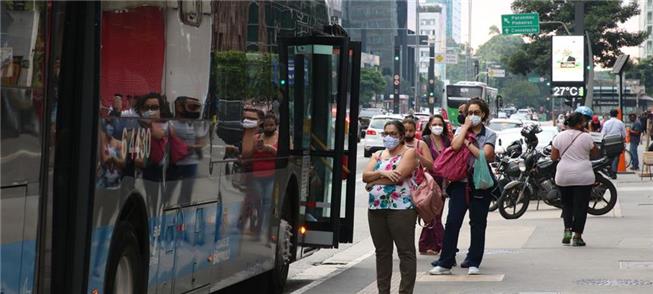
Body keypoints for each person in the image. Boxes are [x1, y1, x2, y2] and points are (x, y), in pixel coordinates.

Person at [430, 98, 496, 276]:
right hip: (460, 184)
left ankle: (474, 261)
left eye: (476, 113)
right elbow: (455, 145)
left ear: (483, 114)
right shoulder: (461, 130)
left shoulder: (489, 134)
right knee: (452, 222)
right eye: (469, 113)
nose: (472, 116)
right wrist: (465, 129)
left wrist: (468, 143)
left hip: (480, 184)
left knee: (478, 224)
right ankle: (445, 262)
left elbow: (485, 155)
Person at [363, 120, 418, 294]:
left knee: (405, 252)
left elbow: (398, 178)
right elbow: (365, 176)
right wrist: (381, 173)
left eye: (393, 134)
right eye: (386, 133)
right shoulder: (378, 154)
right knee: (382, 252)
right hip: (376, 208)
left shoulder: (409, 153)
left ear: (401, 136)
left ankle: (405, 291)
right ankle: (383, 291)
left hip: (401, 209)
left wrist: (374, 182)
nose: (389, 137)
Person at [551, 110, 600, 247]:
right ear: (580, 124)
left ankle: (567, 231)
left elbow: (553, 157)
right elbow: (595, 153)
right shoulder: (586, 137)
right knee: (581, 207)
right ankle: (577, 236)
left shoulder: (559, 137)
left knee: (567, 205)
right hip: (583, 176)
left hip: (563, 175)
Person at [417, 114, 451, 255]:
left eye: (440, 124)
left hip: (443, 182)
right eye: (434, 124)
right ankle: (442, 244)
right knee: (432, 214)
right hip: (429, 181)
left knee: (438, 213)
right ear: (429, 126)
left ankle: (427, 244)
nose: (437, 126)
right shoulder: (425, 141)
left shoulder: (447, 140)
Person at [251, 113, 279, 240]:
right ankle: (257, 225)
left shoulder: (280, 138)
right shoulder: (256, 138)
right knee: (258, 202)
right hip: (256, 174)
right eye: (266, 125)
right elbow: (248, 152)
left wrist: (270, 149)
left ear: (276, 126)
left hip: (271, 175)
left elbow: (285, 155)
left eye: (271, 125)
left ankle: (262, 230)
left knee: (267, 202)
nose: (269, 127)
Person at [601, 109, 626, 179]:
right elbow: (624, 134)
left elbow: (603, 133)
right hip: (618, 142)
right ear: (617, 115)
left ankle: (610, 171)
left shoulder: (606, 123)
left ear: (610, 114)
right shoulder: (620, 123)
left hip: (608, 142)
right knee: (616, 157)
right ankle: (614, 172)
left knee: (609, 157)